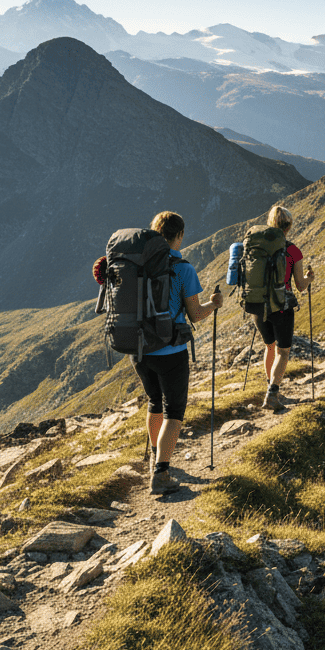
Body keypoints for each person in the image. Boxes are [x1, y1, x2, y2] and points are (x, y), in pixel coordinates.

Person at [136, 210, 223, 494]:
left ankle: (155, 456)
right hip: (171, 351)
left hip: (139, 349)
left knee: (153, 402)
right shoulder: (183, 269)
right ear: (179, 235)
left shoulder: (137, 263)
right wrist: (214, 304)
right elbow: (196, 315)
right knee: (174, 411)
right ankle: (161, 474)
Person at [251, 204, 315, 411]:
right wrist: (309, 278)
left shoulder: (256, 248)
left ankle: (270, 387)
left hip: (258, 306)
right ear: (288, 227)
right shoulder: (293, 250)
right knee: (283, 351)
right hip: (281, 306)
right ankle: (273, 394)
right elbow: (300, 286)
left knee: (269, 347)